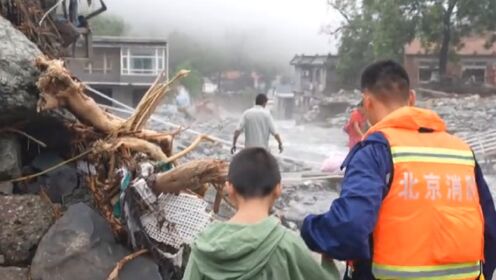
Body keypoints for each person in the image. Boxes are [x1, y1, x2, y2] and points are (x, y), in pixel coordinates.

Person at [300, 60, 496, 280]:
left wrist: (308, 228)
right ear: (411, 98)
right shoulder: (461, 151)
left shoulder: (375, 151)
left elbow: (349, 229)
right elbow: (490, 231)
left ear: (367, 102)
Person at [183, 148, 339, 280]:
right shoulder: (287, 245)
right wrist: (327, 258)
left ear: (229, 188)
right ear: (278, 189)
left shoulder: (204, 245)